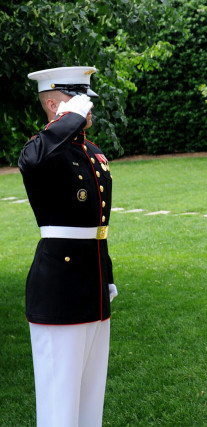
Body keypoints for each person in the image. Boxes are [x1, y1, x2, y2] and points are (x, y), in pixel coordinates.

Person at [18, 66, 117, 426]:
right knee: (59, 402)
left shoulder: (90, 151)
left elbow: (97, 227)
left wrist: (106, 276)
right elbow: (31, 159)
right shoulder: (44, 150)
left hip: (93, 284)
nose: (87, 108)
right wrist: (68, 119)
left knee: (90, 397)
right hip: (59, 288)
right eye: (78, 100)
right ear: (52, 104)